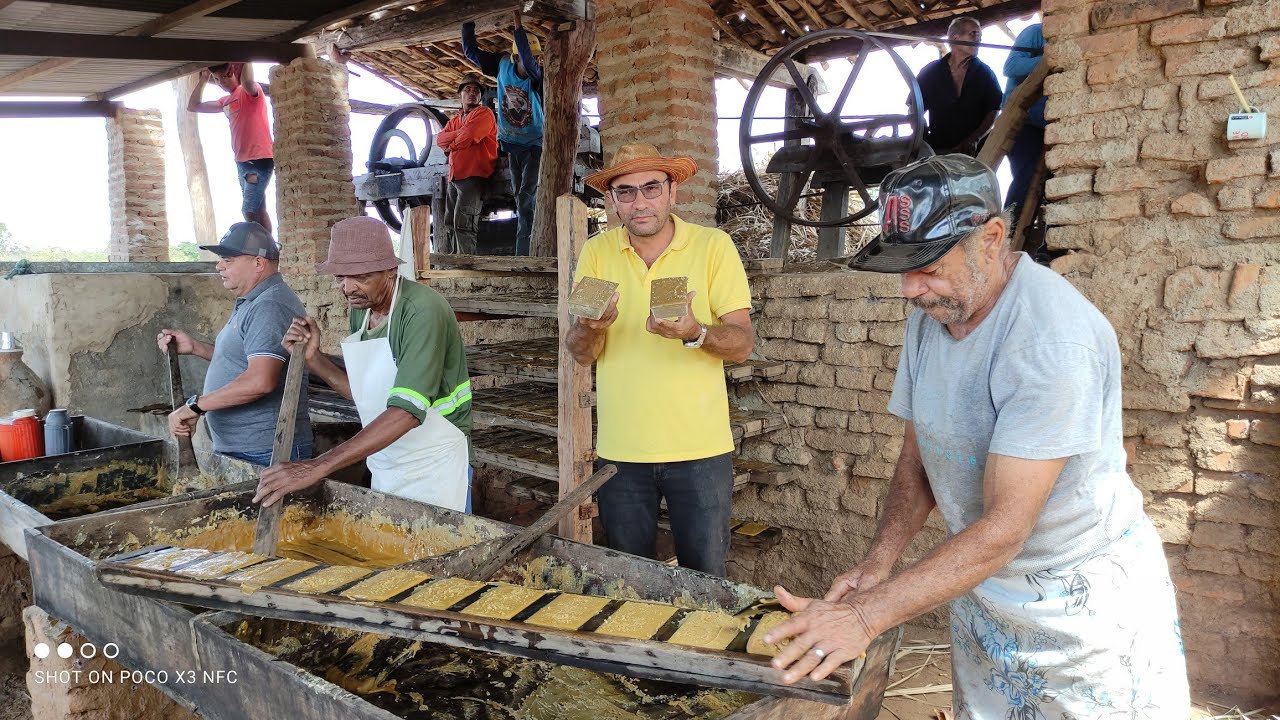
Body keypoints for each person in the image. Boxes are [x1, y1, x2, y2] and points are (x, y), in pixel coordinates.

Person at [763, 155, 1190, 717]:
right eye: (903, 269)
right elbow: (920, 454)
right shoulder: (934, 311)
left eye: (929, 268)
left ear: (990, 238)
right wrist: (878, 563)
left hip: (1074, 600)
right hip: (983, 582)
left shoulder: (1050, 343)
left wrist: (866, 617)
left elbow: (1007, 527)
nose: (910, 290)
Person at [566, 144, 754, 577]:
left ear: (673, 193)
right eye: (626, 192)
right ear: (612, 202)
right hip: (621, 452)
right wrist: (592, 327)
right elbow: (581, 353)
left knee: (705, 578)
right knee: (631, 581)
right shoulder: (598, 253)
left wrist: (695, 332)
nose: (640, 202)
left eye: (651, 187)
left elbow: (742, 343)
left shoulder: (712, 247)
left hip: (701, 451)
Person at [254, 216, 472, 512]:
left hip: (434, 460)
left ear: (391, 270)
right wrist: (313, 359)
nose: (348, 288)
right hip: (387, 458)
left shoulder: (422, 311)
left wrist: (318, 466)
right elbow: (365, 392)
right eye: (341, 277)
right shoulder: (362, 308)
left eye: (361, 277)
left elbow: (407, 412)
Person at [159, 222, 312, 466]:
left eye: (227, 260)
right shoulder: (253, 301)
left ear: (258, 263)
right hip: (247, 447)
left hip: (265, 451)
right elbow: (246, 360)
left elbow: (260, 381)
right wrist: (196, 347)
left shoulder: (269, 306)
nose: (219, 266)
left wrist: (195, 407)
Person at [461, 10, 543, 256]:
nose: (536, 62)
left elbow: (528, 62)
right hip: (511, 144)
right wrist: (466, 22)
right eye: (533, 56)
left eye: (538, 58)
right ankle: (526, 250)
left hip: (534, 145)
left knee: (527, 197)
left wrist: (518, 24)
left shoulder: (536, 76)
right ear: (515, 56)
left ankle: (524, 253)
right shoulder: (502, 65)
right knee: (521, 197)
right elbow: (471, 53)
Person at [186, 63, 275, 233]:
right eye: (216, 79)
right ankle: (268, 249)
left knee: (249, 208)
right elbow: (193, 106)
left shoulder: (248, 91)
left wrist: (246, 59)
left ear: (232, 72)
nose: (220, 83)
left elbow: (248, 82)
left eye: (223, 78)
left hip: (258, 159)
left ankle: (266, 248)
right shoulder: (225, 101)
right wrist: (204, 80)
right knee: (257, 207)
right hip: (242, 163)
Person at [915, 17, 1003, 156]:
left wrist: (974, 140)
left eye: (980, 35)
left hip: (975, 154)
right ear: (956, 38)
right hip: (937, 151)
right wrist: (923, 134)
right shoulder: (931, 72)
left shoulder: (985, 73)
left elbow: (993, 111)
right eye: (973, 33)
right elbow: (914, 106)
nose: (978, 39)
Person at [436, 72, 498, 255]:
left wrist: (452, 144)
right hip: (455, 176)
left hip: (474, 175)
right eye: (467, 89)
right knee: (449, 221)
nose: (472, 93)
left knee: (464, 222)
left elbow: (470, 135)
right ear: (460, 94)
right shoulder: (455, 120)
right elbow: (440, 140)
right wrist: (459, 136)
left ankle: (466, 266)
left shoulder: (484, 114)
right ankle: (452, 263)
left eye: (476, 91)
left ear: (480, 96)